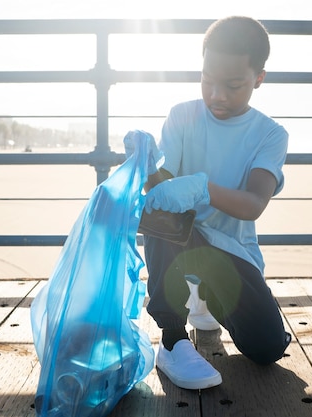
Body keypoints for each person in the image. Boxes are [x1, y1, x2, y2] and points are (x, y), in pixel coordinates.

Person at [126, 16, 291, 390]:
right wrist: (148, 165)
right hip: (180, 241)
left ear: (259, 78)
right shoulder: (183, 115)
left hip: (231, 253)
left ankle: (202, 300)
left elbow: (253, 204)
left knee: (267, 349)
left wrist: (203, 188)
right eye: (207, 80)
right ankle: (172, 338)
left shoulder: (270, 135)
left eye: (233, 85)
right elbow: (162, 193)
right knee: (162, 214)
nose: (217, 95)